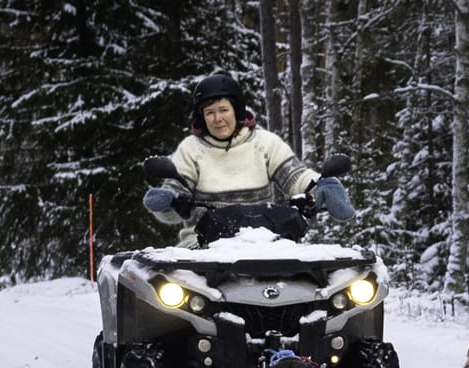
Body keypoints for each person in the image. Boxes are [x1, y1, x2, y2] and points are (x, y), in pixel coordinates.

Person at [143, 73, 354, 246]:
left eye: (223, 110)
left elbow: (295, 176)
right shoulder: (191, 149)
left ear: (237, 111)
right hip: (201, 245)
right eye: (209, 112)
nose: (217, 119)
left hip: (264, 240)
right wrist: (169, 201)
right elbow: (176, 191)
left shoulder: (264, 143)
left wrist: (321, 187)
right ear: (202, 117)